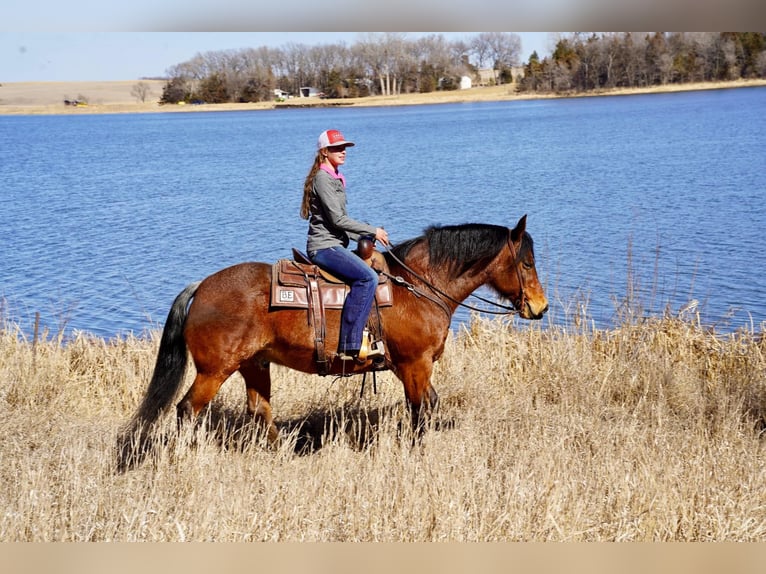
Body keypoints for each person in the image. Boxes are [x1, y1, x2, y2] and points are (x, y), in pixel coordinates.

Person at [300, 129, 389, 361]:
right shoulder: (323, 178)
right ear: (324, 151)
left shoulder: (333, 177)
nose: (343, 152)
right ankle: (350, 344)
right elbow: (338, 220)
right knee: (367, 278)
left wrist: (365, 234)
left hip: (334, 243)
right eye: (337, 148)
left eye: (344, 148)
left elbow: (339, 221)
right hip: (324, 246)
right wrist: (373, 231)